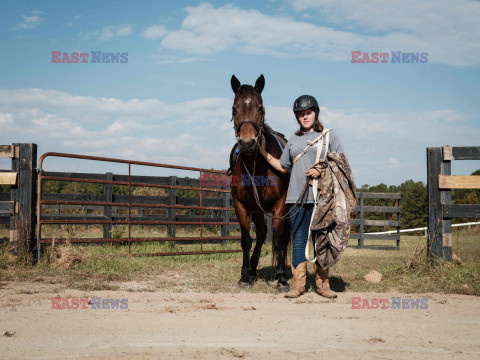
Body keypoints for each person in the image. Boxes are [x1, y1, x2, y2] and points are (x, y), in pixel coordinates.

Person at [259, 95, 345, 299]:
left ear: (315, 113)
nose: (305, 117)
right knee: (298, 241)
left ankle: (323, 285)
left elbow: (340, 163)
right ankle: (298, 286)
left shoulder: (329, 137)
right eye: (301, 114)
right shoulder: (293, 140)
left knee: (321, 241)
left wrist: (321, 169)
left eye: (308, 113)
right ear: (297, 117)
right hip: (296, 197)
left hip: (321, 198)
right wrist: (263, 153)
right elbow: (283, 166)